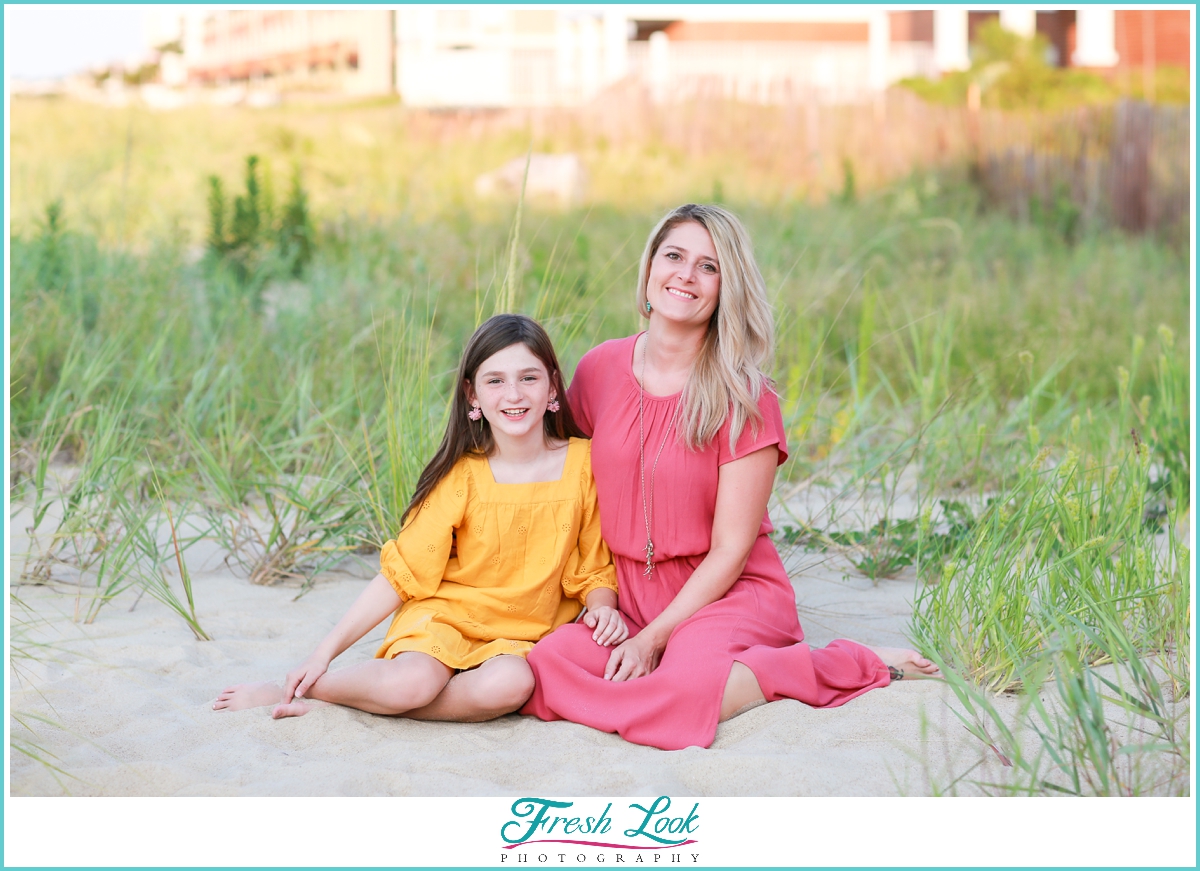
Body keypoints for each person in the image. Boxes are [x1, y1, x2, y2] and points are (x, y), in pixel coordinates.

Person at [520, 204, 938, 750]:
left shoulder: (745, 395)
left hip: (726, 593)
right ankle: (679, 678)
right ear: (649, 268)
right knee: (547, 663)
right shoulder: (599, 368)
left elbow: (731, 551)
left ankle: (835, 663)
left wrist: (652, 640)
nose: (686, 276)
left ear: (726, 287)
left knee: (684, 690)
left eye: (708, 267)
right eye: (674, 256)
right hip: (626, 591)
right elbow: (559, 476)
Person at [214, 314, 627, 722]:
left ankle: (367, 698)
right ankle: (301, 688)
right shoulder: (463, 475)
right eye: (495, 380)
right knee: (410, 684)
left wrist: (602, 606)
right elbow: (402, 574)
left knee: (511, 686)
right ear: (473, 395)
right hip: (444, 618)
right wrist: (321, 654)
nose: (513, 394)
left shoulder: (582, 463)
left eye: (529, 378)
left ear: (553, 384)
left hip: (517, 637)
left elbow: (592, 567)